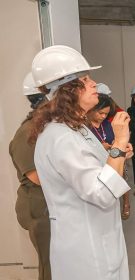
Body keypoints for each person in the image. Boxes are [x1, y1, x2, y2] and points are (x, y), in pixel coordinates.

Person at [30, 45, 133, 280]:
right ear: (67, 91)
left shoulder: (76, 128)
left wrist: (117, 153)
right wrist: (118, 142)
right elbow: (103, 192)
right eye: (86, 80)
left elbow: (97, 167)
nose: (94, 84)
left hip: (101, 236)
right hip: (87, 250)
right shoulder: (61, 137)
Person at [9, 73, 51, 280]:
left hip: (51, 204)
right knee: (50, 265)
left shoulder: (47, 127)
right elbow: (37, 177)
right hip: (39, 208)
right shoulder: (27, 132)